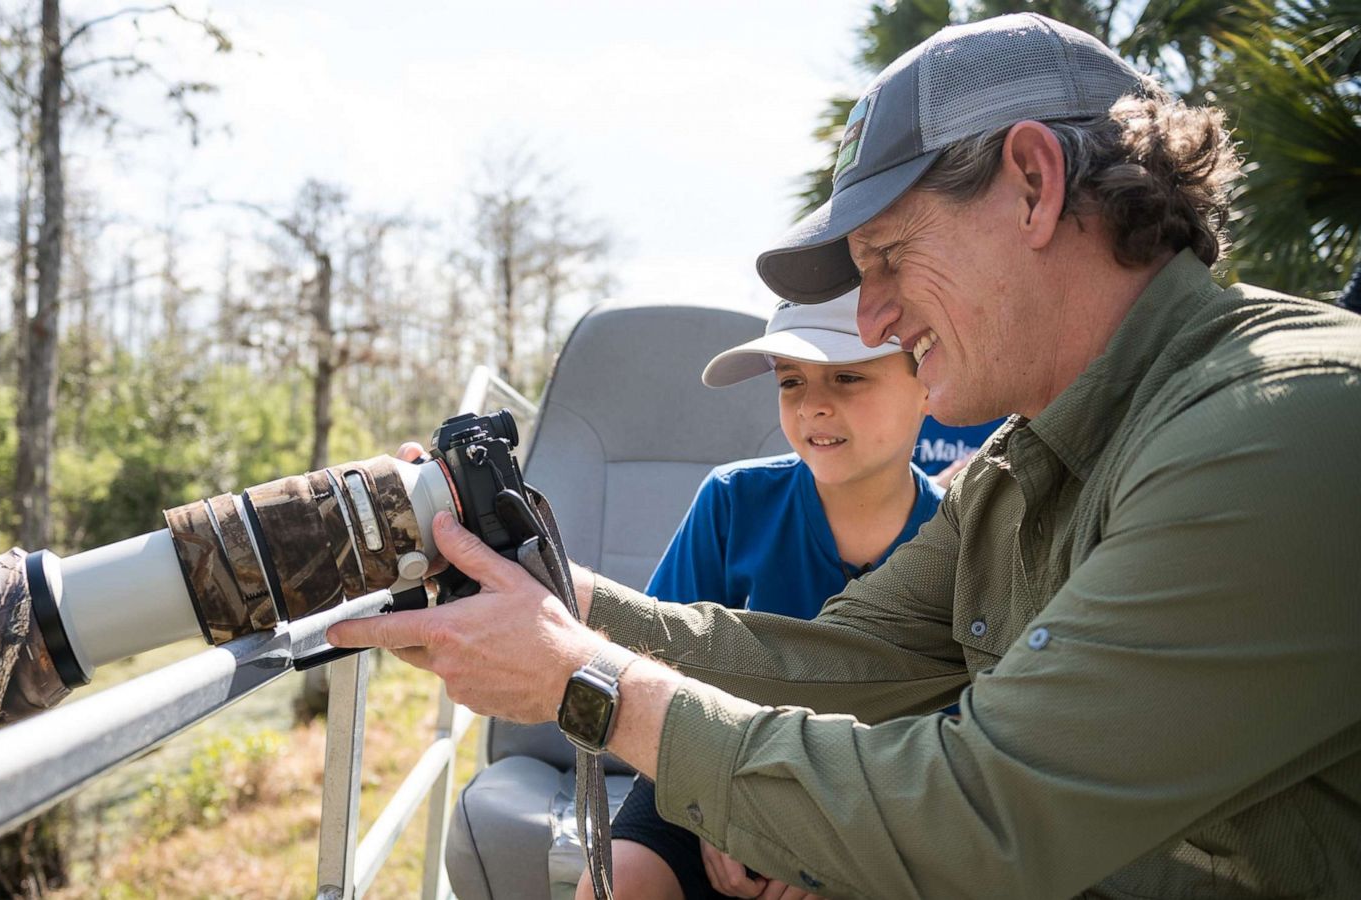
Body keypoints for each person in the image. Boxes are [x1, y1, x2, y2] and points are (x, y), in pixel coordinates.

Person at [332, 13, 1361, 898]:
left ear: (1036, 185)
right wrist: (530, 583)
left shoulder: (1281, 422)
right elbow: (824, 667)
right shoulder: (1021, 465)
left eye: (886, 258)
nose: (868, 315)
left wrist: (573, 679)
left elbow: (980, 816)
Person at [604, 290, 942, 900]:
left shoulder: (962, 537)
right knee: (623, 879)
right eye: (790, 382)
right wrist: (723, 811)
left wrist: (826, 852)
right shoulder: (733, 501)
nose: (813, 404)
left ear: (928, 384)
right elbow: (651, 665)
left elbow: (957, 744)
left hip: (878, 810)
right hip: (713, 766)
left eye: (846, 376)